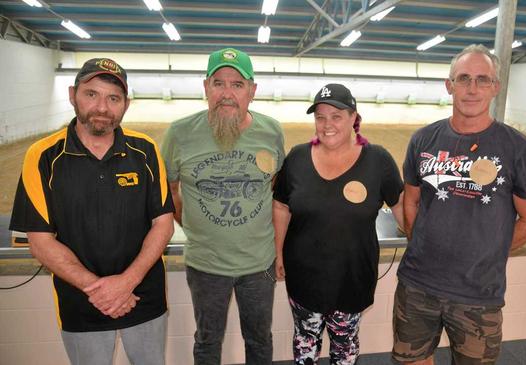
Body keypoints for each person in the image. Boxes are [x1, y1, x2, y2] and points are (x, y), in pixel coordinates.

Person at [9, 58, 175, 365]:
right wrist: (98, 290)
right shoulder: (42, 156)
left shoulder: (146, 150)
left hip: (144, 298)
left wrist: (126, 282)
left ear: (126, 104)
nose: (102, 107)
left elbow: (163, 224)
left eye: (113, 98)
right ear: (73, 95)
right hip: (81, 303)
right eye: (92, 94)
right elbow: (39, 241)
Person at [393, 44, 526, 365]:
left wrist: (489, 254)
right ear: (449, 85)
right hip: (417, 285)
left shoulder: (518, 148)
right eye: (463, 78)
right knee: (411, 361)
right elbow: (411, 200)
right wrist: (420, 243)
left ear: (495, 87)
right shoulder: (423, 139)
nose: (472, 88)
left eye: (482, 79)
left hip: (478, 294)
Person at [161, 47, 285, 364]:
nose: (227, 94)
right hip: (206, 265)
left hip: (260, 264)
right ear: (206, 88)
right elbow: (172, 191)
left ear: (252, 91)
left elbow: (272, 188)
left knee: (260, 341)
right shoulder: (179, 133)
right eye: (219, 83)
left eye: (237, 84)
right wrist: (200, 230)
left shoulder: (271, 132)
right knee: (206, 341)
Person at [273, 83, 404, 364]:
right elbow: (281, 204)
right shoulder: (297, 157)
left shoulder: (378, 160)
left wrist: (424, 242)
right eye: (320, 117)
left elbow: (402, 206)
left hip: (352, 279)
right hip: (303, 278)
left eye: (336, 116)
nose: (326, 124)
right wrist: (278, 252)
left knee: (344, 347)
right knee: (305, 341)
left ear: (354, 118)